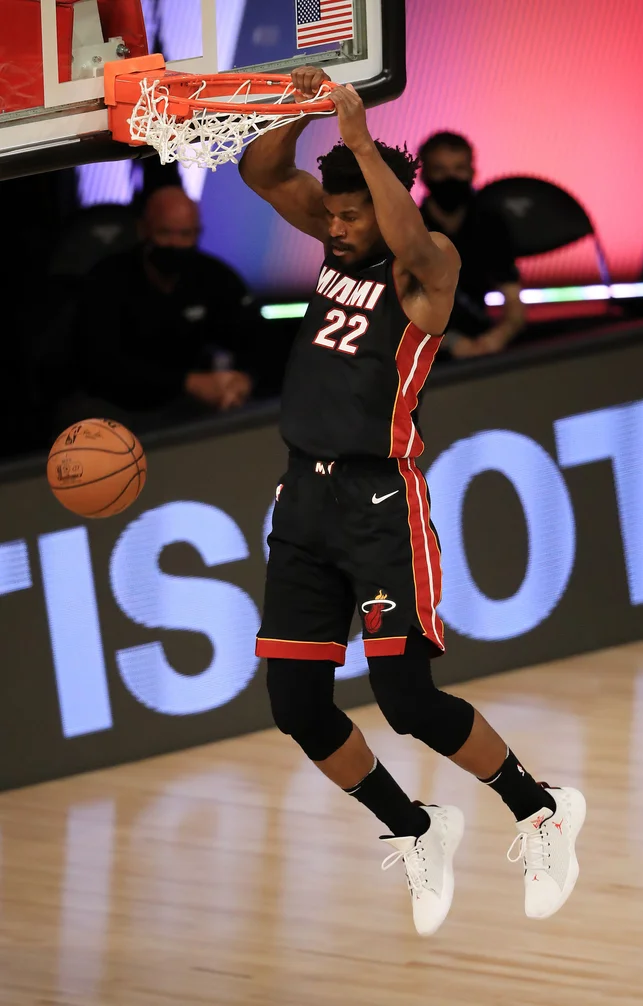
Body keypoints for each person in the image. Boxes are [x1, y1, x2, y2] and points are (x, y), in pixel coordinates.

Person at [240, 66, 585, 937]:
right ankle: (415, 828)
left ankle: (541, 809)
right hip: (304, 504)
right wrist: (302, 109)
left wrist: (359, 138)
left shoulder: (426, 269)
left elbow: (404, 232)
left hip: (378, 504)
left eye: (354, 211)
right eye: (337, 210)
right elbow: (262, 175)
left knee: (408, 701)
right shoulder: (337, 236)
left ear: (386, 203)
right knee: (297, 708)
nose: (338, 223)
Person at [65, 186, 254, 431]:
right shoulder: (107, 279)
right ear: (143, 230)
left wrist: (244, 380)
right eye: (165, 233)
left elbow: (255, 340)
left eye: (185, 234)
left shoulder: (216, 277)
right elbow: (99, 365)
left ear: (198, 234)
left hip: (194, 407)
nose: (175, 244)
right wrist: (186, 382)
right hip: (119, 406)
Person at [418, 131, 526, 360]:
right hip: (423, 352)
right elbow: (396, 313)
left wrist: (500, 336)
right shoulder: (407, 229)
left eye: (459, 169)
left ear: (472, 172)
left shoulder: (490, 224)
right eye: (440, 170)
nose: (451, 178)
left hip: (482, 344)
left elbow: (513, 302)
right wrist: (449, 342)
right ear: (424, 175)